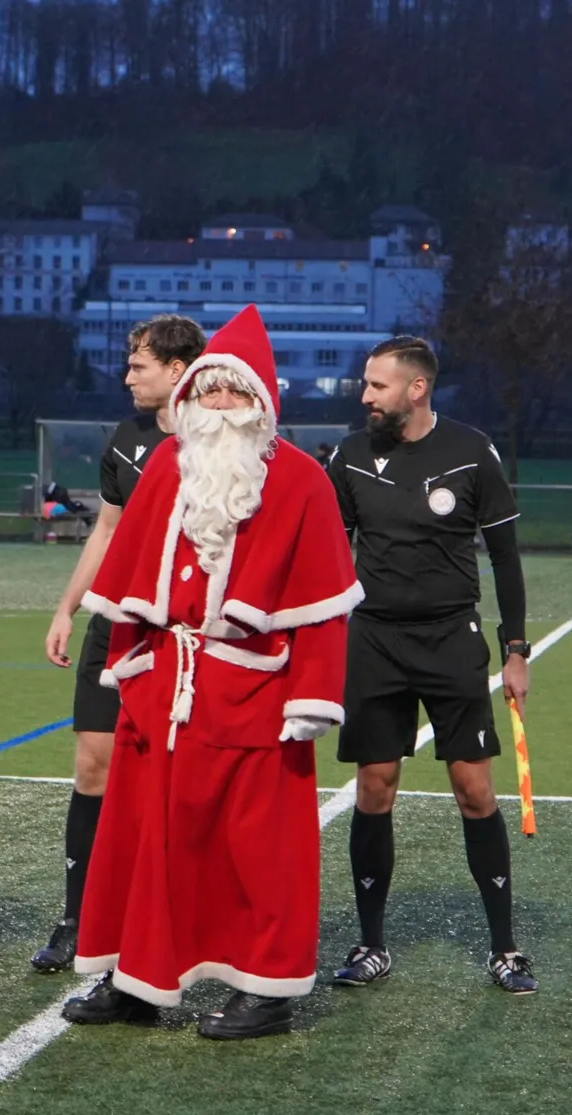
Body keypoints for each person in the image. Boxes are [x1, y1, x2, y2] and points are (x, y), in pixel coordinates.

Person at [61, 304, 361, 1041]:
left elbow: (324, 603)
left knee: (259, 852)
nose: (221, 406)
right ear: (190, 395)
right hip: (166, 686)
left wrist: (312, 699)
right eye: (210, 391)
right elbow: (132, 573)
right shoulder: (168, 464)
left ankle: (267, 989)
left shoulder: (300, 481)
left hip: (259, 690)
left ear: (263, 399)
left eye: (236, 391)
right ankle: (136, 977)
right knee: (145, 840)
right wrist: (129, 665)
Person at [324, 336, 537, 995]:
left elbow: (505, 557)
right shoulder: (351, 456)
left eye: (377, 386)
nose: (365, 396)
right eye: (365, 384)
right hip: (375, 641)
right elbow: (329, 553)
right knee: (374, 786)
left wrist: (517, 647)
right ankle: (370, 944)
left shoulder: (472, 451)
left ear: (416, 389)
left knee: (475, 789)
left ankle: (505, 949)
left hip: (451, 639)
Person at [36, 313, 206, 972]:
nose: (127, 375)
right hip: (116, 625)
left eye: (138, 364)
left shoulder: (214, 441)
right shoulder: (127, 436)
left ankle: (169, 919)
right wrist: (67, 606)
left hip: (182, 637)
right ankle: (78, 917)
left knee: (176, 783)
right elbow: (106, 530)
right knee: (92, 768)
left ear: (176, 369)